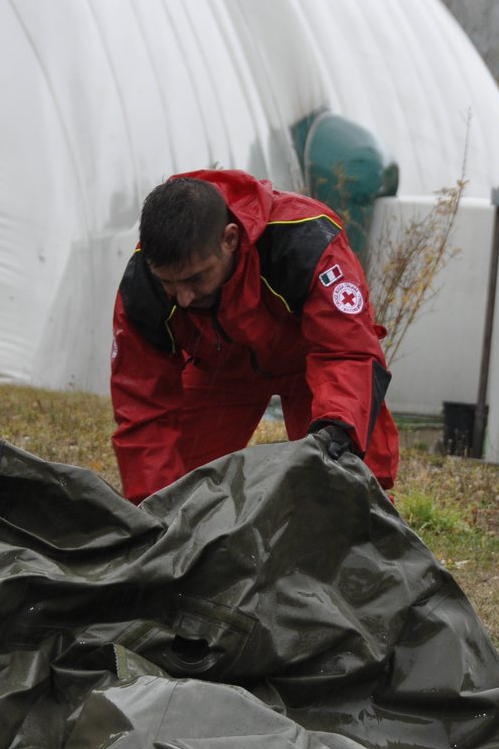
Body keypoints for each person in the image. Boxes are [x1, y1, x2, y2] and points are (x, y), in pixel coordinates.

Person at [110, 169, 399, 503]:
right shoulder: (144, 284)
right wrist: (154, 512)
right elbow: (143, 405)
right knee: (178, 491)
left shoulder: (304, 240)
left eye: (195, 279)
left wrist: (338, 427)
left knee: (347, 477)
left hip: (312, 366)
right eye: (169, 283)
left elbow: (347, 351)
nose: (183, 298)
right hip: (219, 371)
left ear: (230, 239)